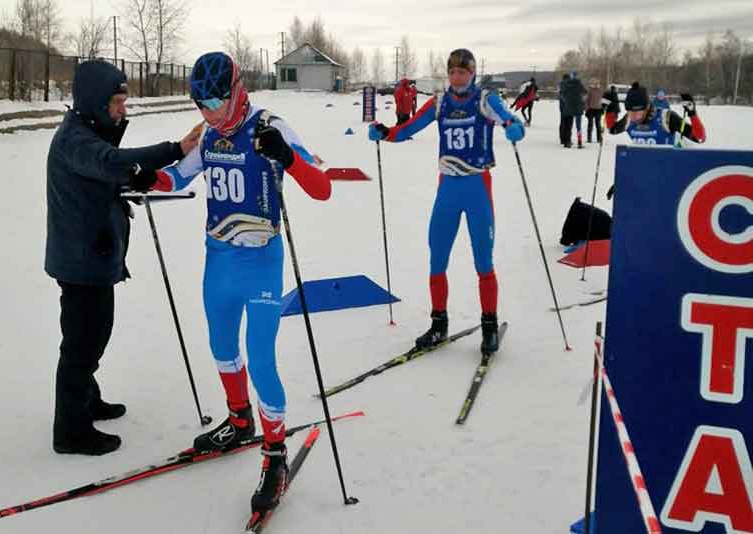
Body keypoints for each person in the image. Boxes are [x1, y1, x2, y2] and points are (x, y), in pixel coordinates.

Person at [149, 52, 332, 515]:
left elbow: (322, 187)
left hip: (261, 263)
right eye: (200, 102)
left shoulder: (270, 125)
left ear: (237, 88)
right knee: (221, 345)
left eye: (215, 99)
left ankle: (275, 456)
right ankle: (238, 419)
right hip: (219, 259)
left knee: (263, 359)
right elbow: (176, 177)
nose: (209, 111)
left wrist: (287, 157)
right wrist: (143, 176)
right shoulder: (210, 135)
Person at [45, 60, 201, 456]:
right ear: (96, 100)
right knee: (82, 344)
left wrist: (135, 178)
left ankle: (87, 400)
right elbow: (110, 163)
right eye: (116, 101)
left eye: (123, 101)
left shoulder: (89, 132)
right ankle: (71, 430)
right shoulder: (75, 141)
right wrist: (176, 150)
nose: (122, 109)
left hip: (93, 256)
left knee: (94, 336)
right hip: (81, 262)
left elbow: (110, 172)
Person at [368, 48, 525, 356]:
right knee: (437, 257)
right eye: (452, 72)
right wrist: (386, 133)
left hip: (477, 186)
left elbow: (508, 119)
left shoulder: (485, 99)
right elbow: (408, 127)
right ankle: (439, 323)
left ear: (472, 73)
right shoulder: (440, 102)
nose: (456, 77)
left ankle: (489, 325)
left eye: (462, 72)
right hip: (448, 189)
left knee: (483, 261)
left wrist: (513, 127)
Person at [605, 82, 706, 199]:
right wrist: (611, 107)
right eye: (630, 112)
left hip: (670, 175)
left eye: (637, 113)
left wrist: (692, 113)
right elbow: (612, 128)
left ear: (647, 107)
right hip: (644, 176)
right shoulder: (629, 119)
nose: (634, 117)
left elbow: (699, 138)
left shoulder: (666, 117)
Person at [560, 71, 587, 148]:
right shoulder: (579, 84)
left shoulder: (566, 84)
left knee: (569, 125)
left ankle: (568, 142)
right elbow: (585, 92)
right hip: (578, 107)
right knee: (578, 126)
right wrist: (581, 100)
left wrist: (567, 101)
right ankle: (579, 142)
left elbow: (562, 94)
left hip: (568, 107)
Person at [585, 78, 604, 143]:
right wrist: (586, 109)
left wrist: (605, 106)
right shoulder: (590, 90)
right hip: (591, 109)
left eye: (597, 83)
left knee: (598, 124)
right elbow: (587, 100)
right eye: (594, 83)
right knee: (590, 124)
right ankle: (589, 138)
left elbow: (604, 99)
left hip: (598, 110)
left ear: (599, 84)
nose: (596, 84)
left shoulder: (601, 91)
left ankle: (599, 138)